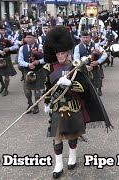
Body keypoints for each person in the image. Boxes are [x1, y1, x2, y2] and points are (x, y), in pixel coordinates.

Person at [42, 25, 113, 179]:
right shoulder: (49, 68)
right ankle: (58, 164)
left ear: (67, 53)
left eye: (62, 53)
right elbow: (47, 88)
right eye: (58, 53)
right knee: (57, 135)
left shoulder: (75, 67)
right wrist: (46, 103)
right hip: (57, 106)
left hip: (72, 105)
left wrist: (70, 84)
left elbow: (84, 89)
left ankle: (73, 156)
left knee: (72, 135)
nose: (60, 56)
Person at [18, 30, 45, 114]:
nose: (28, 39)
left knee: (37, 90)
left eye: (30, 37)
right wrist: (28, 64)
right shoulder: (23, 48)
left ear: (35, 38)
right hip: (27, 71)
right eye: (27, 37)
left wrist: (38, 62)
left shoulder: (40, 46)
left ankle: (36, 106)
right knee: (27, 90)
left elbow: (46, 58)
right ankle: (30, 103)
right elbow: (20, 60)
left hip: (38, 70)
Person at [74, 31, 107, 96]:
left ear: (90, 38)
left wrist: (98, 62)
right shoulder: (77, 47)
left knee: (97, 79)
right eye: (83, 37)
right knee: (86, 83)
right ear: (81, 38)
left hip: (95, 67)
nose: (85, 39)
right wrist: (84, 66)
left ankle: (98, 89)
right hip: (84, 68)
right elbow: (76, 59)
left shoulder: (96, 45)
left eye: (87, 37)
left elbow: (104, 55)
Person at [0, 25, 18, 96]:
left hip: (7, 57)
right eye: (0, 30)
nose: (2, 31)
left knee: (6, 76)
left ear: (5, 30)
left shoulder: (9, 37)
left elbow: (16, 46)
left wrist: (9, 49)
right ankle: (2, 85)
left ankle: (6, 89)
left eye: (3, 30)